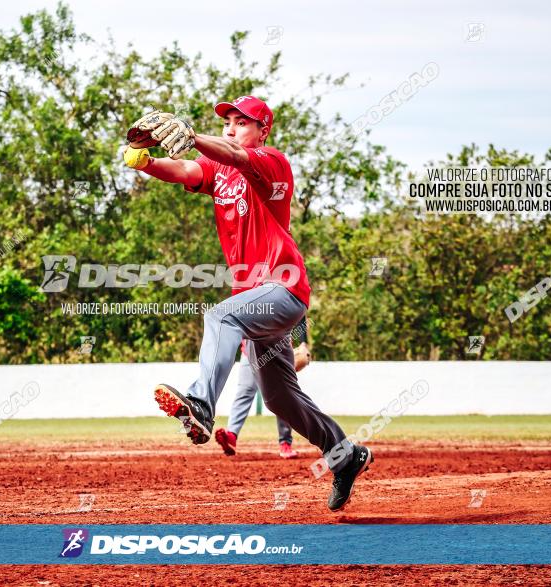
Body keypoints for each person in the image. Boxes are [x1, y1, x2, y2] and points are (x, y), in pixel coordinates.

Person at [124, 97, 373, 511]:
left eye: (243, 122)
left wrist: (191, 136)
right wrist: (146, 162)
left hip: (284, 287)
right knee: (278, 398)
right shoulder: (219, 170)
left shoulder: (270, 162)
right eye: (227, 121)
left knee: (220, 316)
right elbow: (184, 169)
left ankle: (202, 405)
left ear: (263, 131)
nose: (232, 127)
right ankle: (345, 454)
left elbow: (237, 154)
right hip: (254, 304)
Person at [214, 318, 312, 459]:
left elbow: (300, 315)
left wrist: (302, 342)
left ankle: (285, 443)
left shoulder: (282, 296)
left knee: (282, 396)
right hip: (250, 349)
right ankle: (231, 436)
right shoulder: (250, 297)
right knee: (246, 391)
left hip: (278, 349)